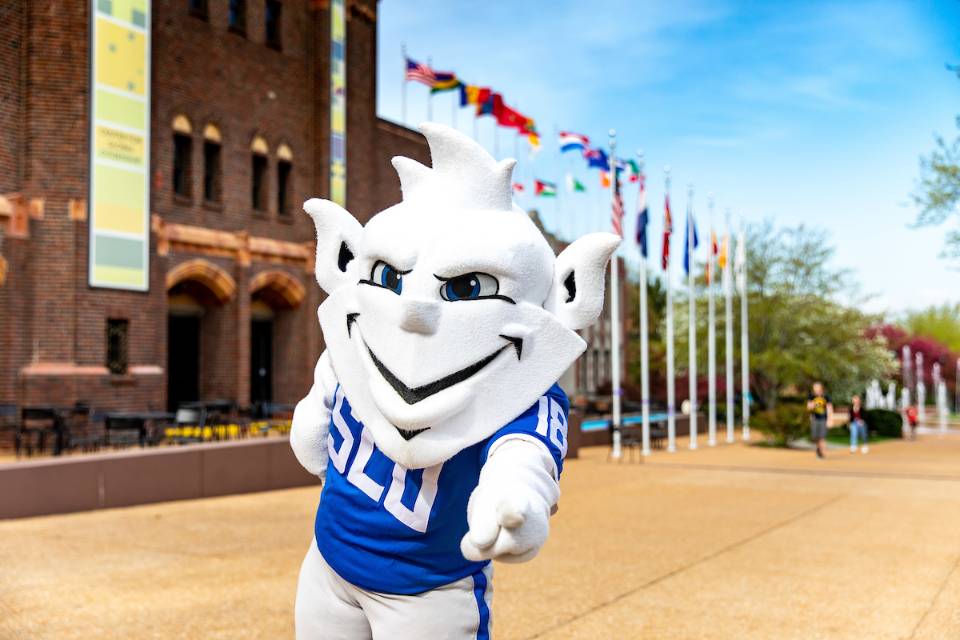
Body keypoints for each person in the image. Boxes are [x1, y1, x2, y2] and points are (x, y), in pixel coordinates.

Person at [807, 382, 833, 459]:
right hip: (814, 419)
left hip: (823, 419)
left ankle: (822, 453)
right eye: (815, 387)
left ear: (821, 388)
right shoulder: (811, 396)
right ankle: (818, 449)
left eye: (817, 387)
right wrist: (813, 404)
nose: (816, 389)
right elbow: (808, 407)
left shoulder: (826, 396)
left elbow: (829, 408)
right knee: (815, 437)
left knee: (822, 437)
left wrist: (830, 419)